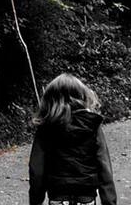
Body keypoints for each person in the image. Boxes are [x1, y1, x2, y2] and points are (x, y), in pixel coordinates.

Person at [28, 74, 118, 205]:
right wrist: (109, 202)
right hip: (86, 198)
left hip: (58, 197)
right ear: (82, 96)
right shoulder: (92, 126)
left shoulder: (46, 129)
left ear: (50, 99)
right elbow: (104, 168)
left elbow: (37, 170)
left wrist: (35, 201)